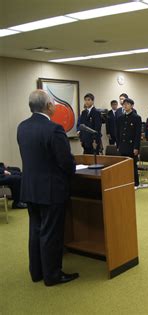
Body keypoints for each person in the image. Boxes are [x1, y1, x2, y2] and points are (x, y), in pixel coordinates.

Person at [17, 89, 78, 286]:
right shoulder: (54, 129)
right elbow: (66, 163)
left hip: (30, 188)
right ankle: (52, 275)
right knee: (51, 233)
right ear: (48, 106)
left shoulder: (22, 127)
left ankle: (37, 272)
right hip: (51, 190)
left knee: (36, 230)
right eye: (52, 103)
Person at [116, 98, 142, 188]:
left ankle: (135, 183)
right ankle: (125, 181)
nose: (125, 106)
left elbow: (137, 134)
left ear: (132, 105)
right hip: (122, 145)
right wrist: (118, 145)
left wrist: (136, 147)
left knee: (132, 165)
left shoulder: (136, 118)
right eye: (124, 104)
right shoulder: (120, 118)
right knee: (123, 165)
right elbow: (118, 132)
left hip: (131, 145)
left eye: (127, 104)